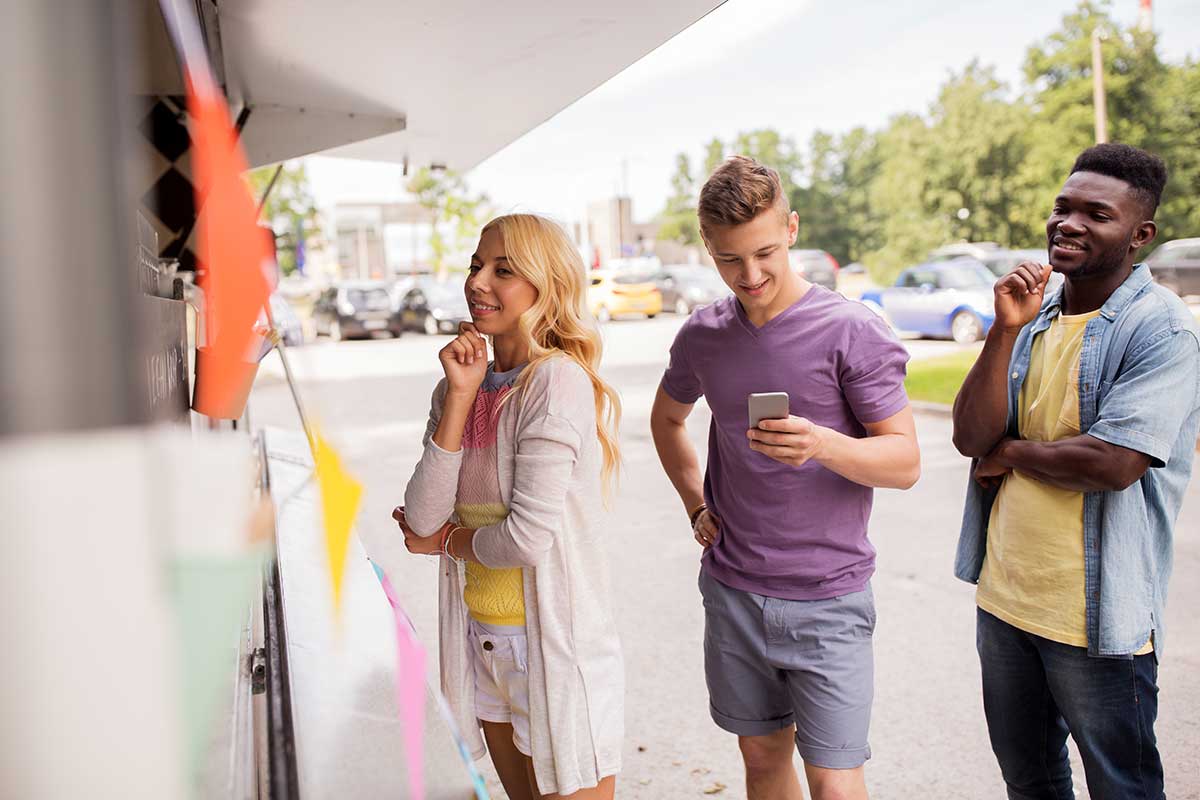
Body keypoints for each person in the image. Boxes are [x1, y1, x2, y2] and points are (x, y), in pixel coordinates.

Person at [649, 156, 920, 800]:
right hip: (733, 591)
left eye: (765, 252)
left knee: (833, 780)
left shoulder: (851, 330)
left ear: (792, 228)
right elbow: (667, 420)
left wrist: (822, 444)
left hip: (829, 598)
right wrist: (695, 505)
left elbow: (905, 461)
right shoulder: (703, 335)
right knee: (763, 762)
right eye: (728, 259)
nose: (750, 275)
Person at [952, 143, 1200, 800]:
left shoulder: (1162, 329)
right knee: (1031, 781)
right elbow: (969, 436)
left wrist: (1009, 454)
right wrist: (1003, 331)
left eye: (1097, 214)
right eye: (1064, 207)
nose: (1069, 223)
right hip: (1006, 603)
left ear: (1139, 234)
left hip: (1096, 619)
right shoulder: (1037, 317)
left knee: (1123, 787)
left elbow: (1113, 462)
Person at [394, 213, 624, 799]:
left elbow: (523, 539)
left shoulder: (556, 383)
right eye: (476, 266)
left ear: (544, 286)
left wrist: (448, 542)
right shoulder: (458, 385)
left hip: (552, 647)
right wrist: (461, 398)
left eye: (503, 269)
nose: (478, 282)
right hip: (483, 645)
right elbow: (420, 517)